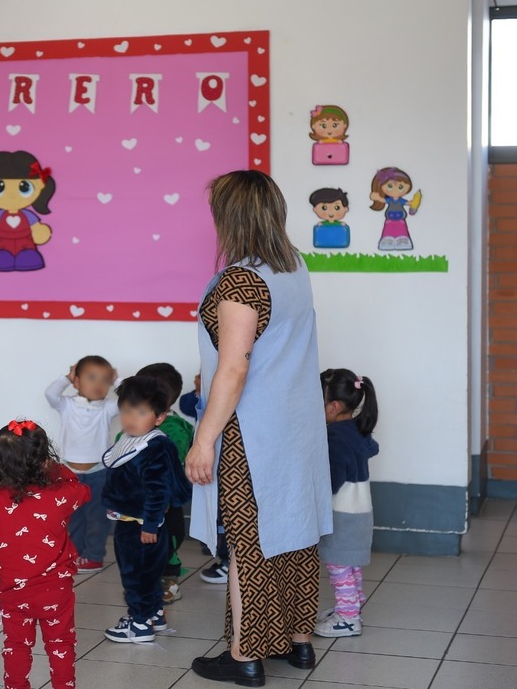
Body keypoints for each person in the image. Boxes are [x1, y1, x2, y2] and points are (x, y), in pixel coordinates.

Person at [185, 170, 333, 686]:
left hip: (253, 432)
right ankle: (298, 641)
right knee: (295, 530)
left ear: (231, 217)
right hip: (298, 426)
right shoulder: (292, 267)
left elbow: (235, 368)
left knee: (250, 539)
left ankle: (245, 653)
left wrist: (204, 438)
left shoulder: (241, 281)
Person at [0, 419, 91, 689]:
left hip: (13, 589)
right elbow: (83, 490)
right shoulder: (63, 493)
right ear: (44, 458)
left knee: (16, 645)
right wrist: (55, 469)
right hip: (55, 589)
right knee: (61, 643)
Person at [101, 376, 192, 644]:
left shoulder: (153, 447)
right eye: (126, 410)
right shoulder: (134, 439)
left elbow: (158, 491)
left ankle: (139, 624)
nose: (130, 418)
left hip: (142, 526)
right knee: (150, 574)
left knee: (135, 576)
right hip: (136, 523)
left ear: (160, 417)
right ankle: (156, 614)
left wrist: (150, 525)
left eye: (140, 412)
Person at [316, 369, 380, 638]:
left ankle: (348, 617)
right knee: (350, 565)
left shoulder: (334, 437)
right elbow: (372, 448)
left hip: (341, 516)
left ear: (333, 406)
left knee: (338, 567)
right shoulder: (357, 428)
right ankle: (352, 605)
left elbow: (330, 481)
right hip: (360, 513)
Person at [44, 356, 119, 574]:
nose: (99, 384)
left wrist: (118, 379)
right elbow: (50, 394)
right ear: (76, 382)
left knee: (97, 517)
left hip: (98, 474)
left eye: (105, 380)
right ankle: (76, 554)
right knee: (74, 516)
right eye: (92, 378)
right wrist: (66, 377)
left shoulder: (108, 408)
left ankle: (94, 556)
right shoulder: (66, 405)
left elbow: (131, 398)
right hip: (69, 474)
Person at [135, 363, 194, 604]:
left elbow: (169, 466)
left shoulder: (176, 430)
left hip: (165, 499)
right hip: (140, 497)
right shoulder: (140, 420)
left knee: (166, 539)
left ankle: (169, 579)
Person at [180, 375, 230, 585]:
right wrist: (200, 389)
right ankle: (219, 552)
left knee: (229, 519)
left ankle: (228, 562)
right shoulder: (206, 396)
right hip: (210, 467)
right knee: (216, 515)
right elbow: (186, 405)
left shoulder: (231, 396)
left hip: (230, 468)